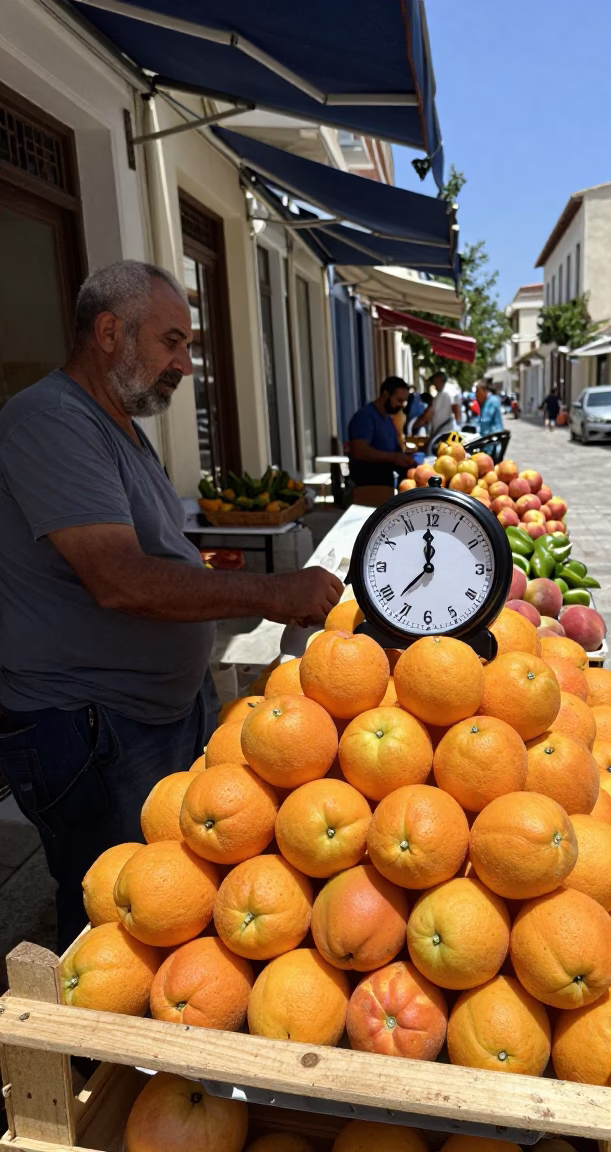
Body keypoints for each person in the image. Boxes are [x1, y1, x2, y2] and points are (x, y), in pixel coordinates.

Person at [0, 259, 343, 949]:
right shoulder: (49, 422)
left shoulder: (120, 423)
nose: (185, 364)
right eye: (172, 341)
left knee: (173, 905)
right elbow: (120, 578)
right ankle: (85, 1055)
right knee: (115, 920)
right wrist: (273, 593)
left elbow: (152, 555)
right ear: (108, 331)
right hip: (91, 727)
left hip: (152, 716)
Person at [347, 376, 416, 487]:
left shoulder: (388, 419)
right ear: (385, 394)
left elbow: (394, 450)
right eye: (399, 400)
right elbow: (359, 451)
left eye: (404, 402)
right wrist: (393, 457)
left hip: (390, 475)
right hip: (372, 480)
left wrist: (405, 455)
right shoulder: (365, 417)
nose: (401, 405)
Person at [412, 371, 463, 440]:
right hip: (439, 433)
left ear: (439, 379)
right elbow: (430, 412)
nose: (434, 384)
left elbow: (456, 408)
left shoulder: (449, 391)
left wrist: (458, 424)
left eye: (434, 382)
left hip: (448, 432)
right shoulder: (439, 395)